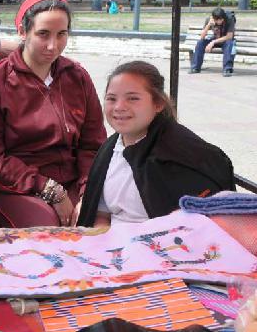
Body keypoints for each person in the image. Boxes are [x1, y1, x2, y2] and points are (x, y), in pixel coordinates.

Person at [0, 0, 107, 227]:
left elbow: (93, 144)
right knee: (49, 228)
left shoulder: (77, 77)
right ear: (23, 32)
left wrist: (87, 192)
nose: (52, 46)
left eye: (61, 34)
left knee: (97, 220)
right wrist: (49, 189)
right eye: (43, 34)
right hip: (16, 187)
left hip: (73, 181)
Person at [77, 61, 236, 227]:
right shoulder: (109, 149)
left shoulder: (182, 154)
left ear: (158, 104)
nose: (119, 107)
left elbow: (197, 230)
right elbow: (101, 214)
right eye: (111, 98)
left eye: (133, 98)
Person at [189, 7, 236, 77]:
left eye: (221, 19)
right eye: (218, 20)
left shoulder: (229, 19)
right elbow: (202, 37)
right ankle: (195, 67)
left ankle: (227, 69)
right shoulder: (209, 20)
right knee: (200, 43)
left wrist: (213, 42)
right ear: (213, 19)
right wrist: (208, 25)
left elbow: (229, 37)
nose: (220, 21)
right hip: (215, 39)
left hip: (225, 40)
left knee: (229, 44)